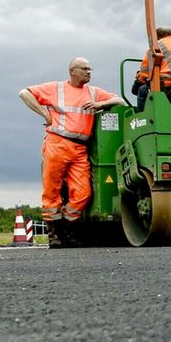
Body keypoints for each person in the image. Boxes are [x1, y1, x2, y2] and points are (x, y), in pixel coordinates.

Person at [19, 57, 123, 248]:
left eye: (90, 69)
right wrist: (44, 114)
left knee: (83, 193)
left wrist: (100, 105)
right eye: (84, 69)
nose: (88, 72)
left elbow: (120, 101)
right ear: (72, 71)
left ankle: (65, 230)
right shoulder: (55, 89)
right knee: (52, 190)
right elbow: (24, 93)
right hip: (57, 143)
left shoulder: (94, 92)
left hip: (80, 147)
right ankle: (55, 236)